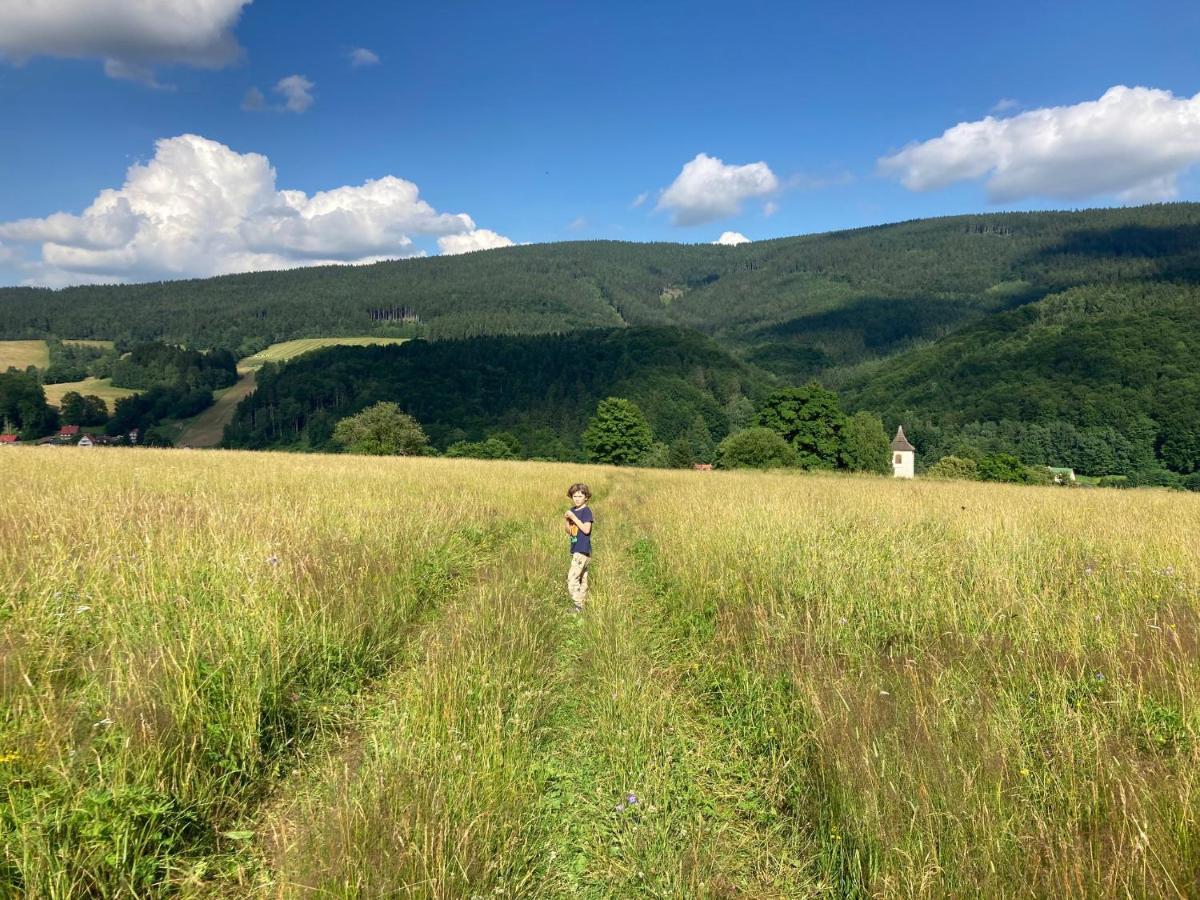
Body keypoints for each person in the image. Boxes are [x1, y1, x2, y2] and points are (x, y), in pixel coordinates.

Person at [563, 483, 594, 612]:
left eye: (580, 496)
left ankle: (578, 605)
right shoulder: (573, 510)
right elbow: (569, 531)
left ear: (586, 497)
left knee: (572, 578)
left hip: (582, 550)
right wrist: (566, 520)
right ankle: (582, 605)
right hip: (576, 549)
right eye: (574, 496)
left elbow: (586, 530)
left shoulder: (586, 511)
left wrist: (574, 518)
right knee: (582, 579)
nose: (577, 498)